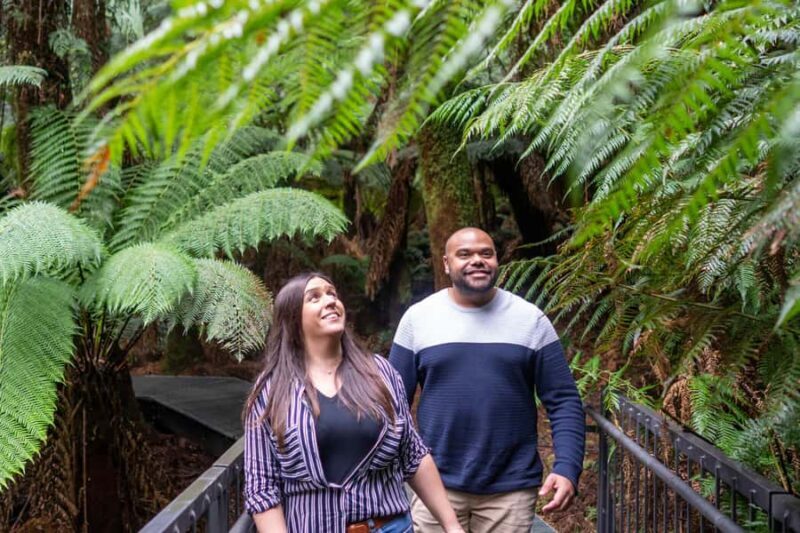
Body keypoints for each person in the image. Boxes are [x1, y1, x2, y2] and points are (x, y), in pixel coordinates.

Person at [389, 228, 586, 533]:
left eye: (486, 253)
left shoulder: (530, 320)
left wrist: (567, 467)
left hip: (510, 490)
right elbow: (391, 403)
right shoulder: (418, 319)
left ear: (497, 260)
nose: (477, 260)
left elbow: (563, 400)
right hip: (434, 486)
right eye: (464, 254)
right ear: (445, 263)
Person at [243, 272, 465, 533]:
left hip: (390, 527)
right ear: (292, 318)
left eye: (332, 294)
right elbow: (262, 487)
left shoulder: (379, 372)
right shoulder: (271, 390)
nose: (329, 301)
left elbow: (413, 456)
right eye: (314, 297)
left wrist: (451, 525)